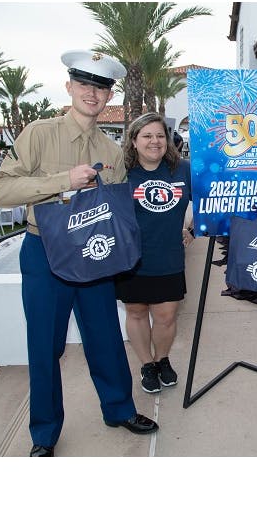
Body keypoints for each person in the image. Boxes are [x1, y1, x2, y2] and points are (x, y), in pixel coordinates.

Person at [0, 49, 159, 457]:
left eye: (101, 87)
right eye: (85, 84)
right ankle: (44, 434)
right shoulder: (38, 133)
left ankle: (118, 409)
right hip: (45, 252)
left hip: (95, 254)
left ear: (109, 96)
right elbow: (0, 192)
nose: (92, 93)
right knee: (45, 345)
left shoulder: (111, 149)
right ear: (69, 87)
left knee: (105, 337)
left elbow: (116, 209)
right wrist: (63, 181)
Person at [114, 112, 194, 394]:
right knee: (136, 312)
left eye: (160, 135)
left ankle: (162, 359)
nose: (154, 141)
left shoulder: (182, 169)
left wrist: (191, 229)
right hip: (130, 259)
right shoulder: (121, 171)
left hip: (168, 255)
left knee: (166, 316)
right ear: (134, 141)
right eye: (146, 136)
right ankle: (147, 364)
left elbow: (209, 201)